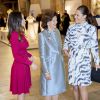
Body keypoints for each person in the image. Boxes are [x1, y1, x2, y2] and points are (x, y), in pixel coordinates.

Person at [63, 5, 100, 100]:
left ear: (84, 16)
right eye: (75, 15)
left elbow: (94, 46)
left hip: (84, 61)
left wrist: (97, 61)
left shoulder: (91, 29)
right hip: (73, 61)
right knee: (75, 87)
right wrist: (66, 50)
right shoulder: (71, 28)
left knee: (82, 86)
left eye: (77, 15)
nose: (75, 17)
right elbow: (66, 41)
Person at [7, 12, 37, 100]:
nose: (24, 20)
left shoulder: (19, 33)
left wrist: (29, 55)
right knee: (21, 93)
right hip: (19, 68)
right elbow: (16, 56)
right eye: (23, 18)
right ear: (17, 21)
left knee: (23, 93)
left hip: (23, 66)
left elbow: (22, 51)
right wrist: (30, 63)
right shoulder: (14, 35)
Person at [38, 9, 66, 100]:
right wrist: (46, 71)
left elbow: (59, 49)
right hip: (49, 67)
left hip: (58, 66)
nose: (56, 22)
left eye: (56, 20)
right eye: (54, 20)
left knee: (56, 90)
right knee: (49, 91)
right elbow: (42, 55)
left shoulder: (57, 31)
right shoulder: (42, 35)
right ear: (48, 21)